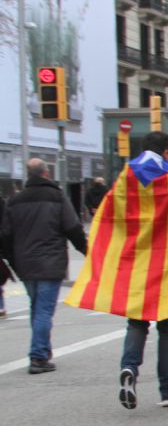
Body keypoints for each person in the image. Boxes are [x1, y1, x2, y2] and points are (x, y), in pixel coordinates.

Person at [66, 132, 168, 407]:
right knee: (167, 326)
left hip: (134, 263)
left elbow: (108, 218)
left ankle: (129, 368)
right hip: (164, 264)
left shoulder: (124, 179)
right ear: (166, 152)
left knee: (136, 322)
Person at [0, 158, 87, 373]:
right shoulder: (57, 197)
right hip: (51, 261)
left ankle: (43, 350)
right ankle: (38, 356)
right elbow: (73, 228)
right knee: (43, 310)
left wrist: (13, 261)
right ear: (46, 174)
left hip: (25, 263)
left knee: (37, 307)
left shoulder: (15, 200)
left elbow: (5, 235)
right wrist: (87, 251)